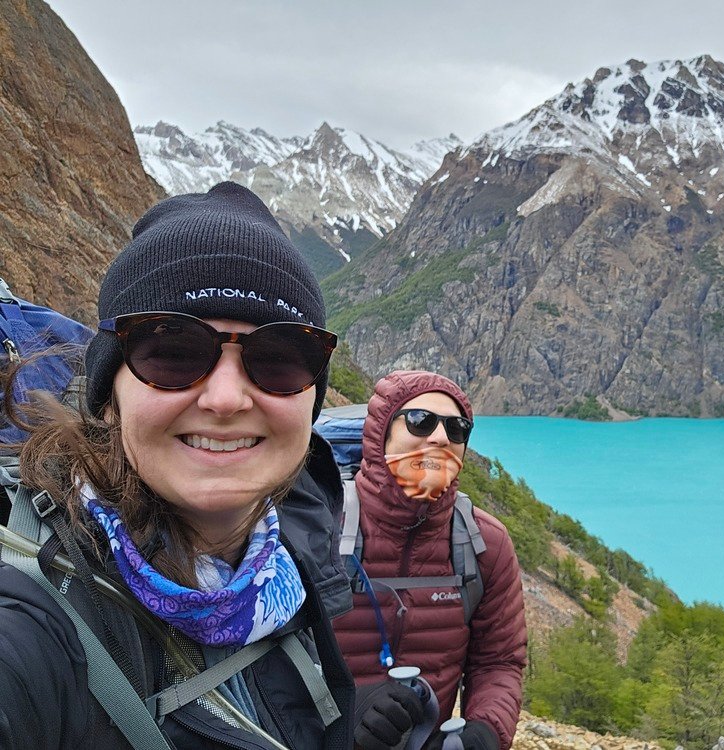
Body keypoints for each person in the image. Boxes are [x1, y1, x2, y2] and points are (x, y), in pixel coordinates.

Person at [0, 181, 356, 749]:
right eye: (172, 352)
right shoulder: (33, 618)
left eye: (280, 358)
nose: (225, 399)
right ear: (108, 393)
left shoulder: (292, 555)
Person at [334, 370, 527, 750]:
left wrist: (486, 730)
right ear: (380, 435)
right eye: (421, 422)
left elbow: (499, 662)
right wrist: (347, 711)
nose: (440, 437)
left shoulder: (483, 544)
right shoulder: (322, 525)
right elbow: (268, 655)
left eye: (457, 429)